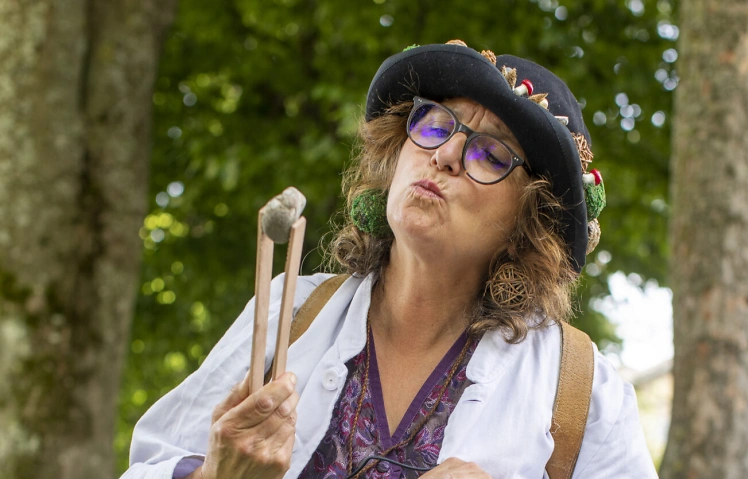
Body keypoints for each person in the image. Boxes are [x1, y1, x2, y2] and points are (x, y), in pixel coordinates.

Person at [121, 40, 656, 479]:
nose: (444, 155)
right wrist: (215, 477)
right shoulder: (289, 310)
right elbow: (146, 466)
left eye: (490, 154)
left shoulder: (581, 389)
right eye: (435, 125)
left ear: (529, 222)